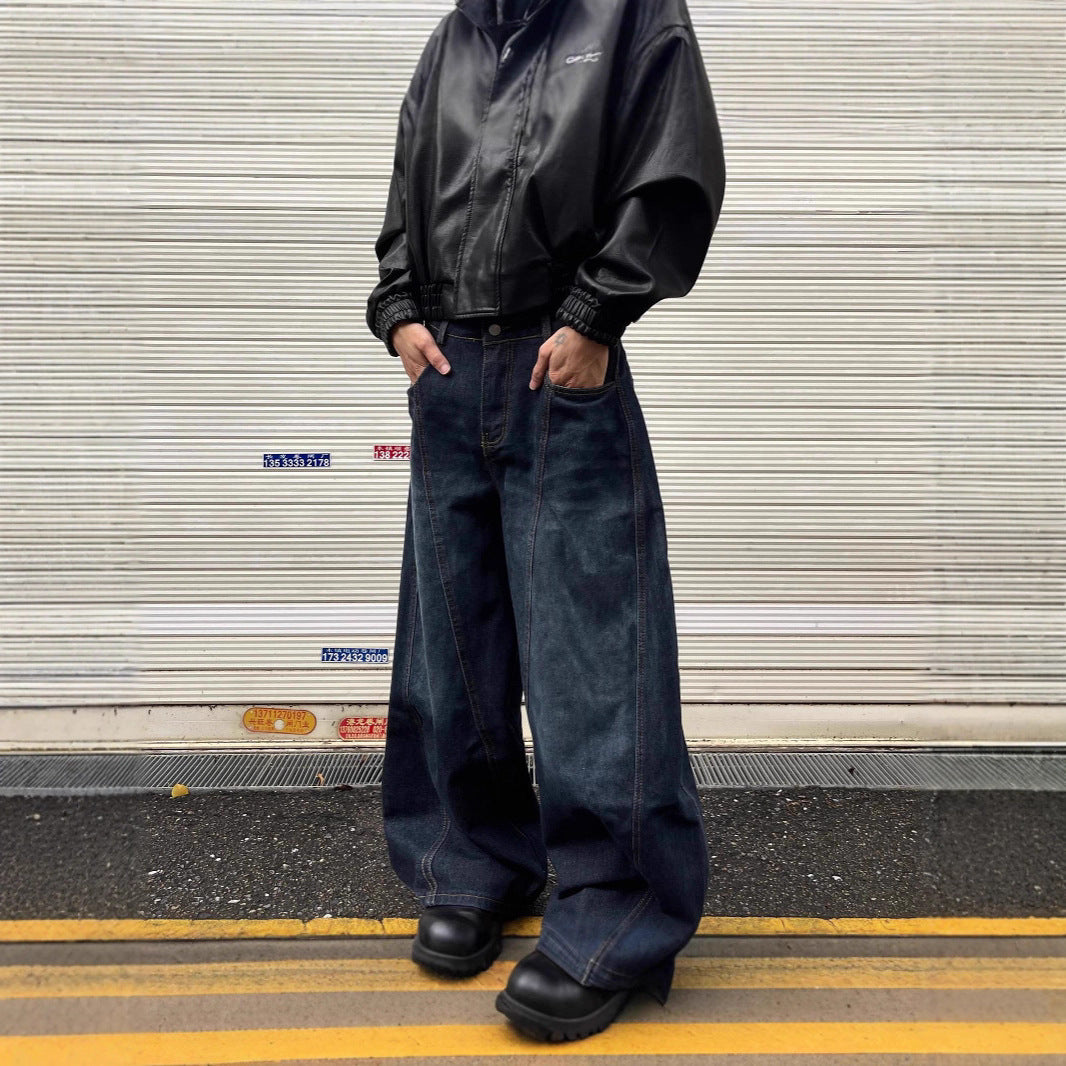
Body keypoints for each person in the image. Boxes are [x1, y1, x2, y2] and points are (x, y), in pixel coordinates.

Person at [366, 0, 726, 1042]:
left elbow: (675, 172)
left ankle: (617, 911)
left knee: (592, 655)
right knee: (452, 647)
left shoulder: (630, 15)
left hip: (558, 360)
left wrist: (595, 315)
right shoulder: (453, 39)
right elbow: (404, 193)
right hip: (449, 368)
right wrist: (400, 312)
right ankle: (475, 863)